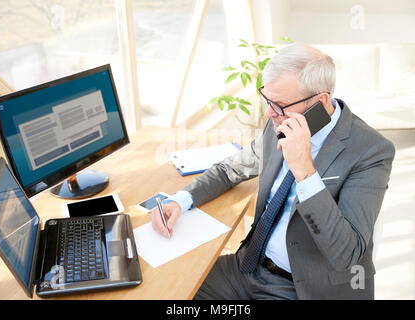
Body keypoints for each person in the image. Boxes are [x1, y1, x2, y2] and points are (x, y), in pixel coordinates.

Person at [151, 43, 395, 300]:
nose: (268, 113)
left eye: (278, 104)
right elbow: (231, 169)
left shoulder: (370, 151)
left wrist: (305, 171)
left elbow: (347, 253)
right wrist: (180, 200)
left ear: (320, 102)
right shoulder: (279, 122)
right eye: (266, 100)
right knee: (173, 289)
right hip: (247, 267)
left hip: (300, 288)